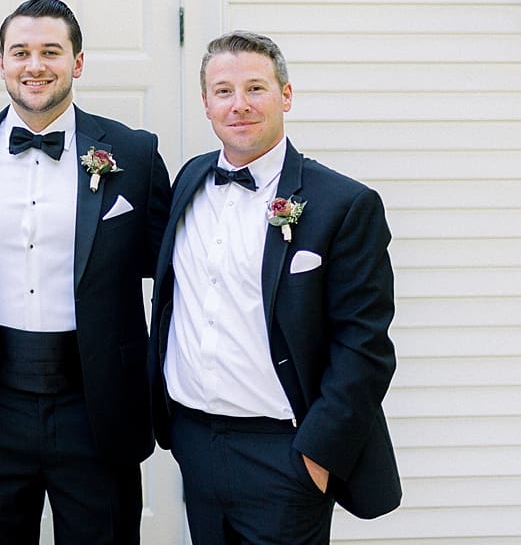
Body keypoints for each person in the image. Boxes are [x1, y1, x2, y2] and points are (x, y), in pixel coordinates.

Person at [0, 0, 172, 544]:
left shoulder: (134, 153)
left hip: (97, 402)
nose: (35, 65)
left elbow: (178, 273)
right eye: (21, 52)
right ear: (2, 63)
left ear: (77, 62)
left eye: (51, 51)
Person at [148, 30, 401, 545]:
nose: (238, 104)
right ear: (206, 104)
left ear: (285, 95)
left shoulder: (342, 204)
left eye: (255, 88)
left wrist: (316, 456)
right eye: (223, 91)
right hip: (195, 440)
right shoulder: (189, 180)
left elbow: (365, 346)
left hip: (285, 454)